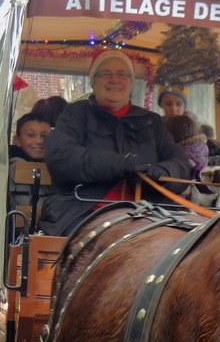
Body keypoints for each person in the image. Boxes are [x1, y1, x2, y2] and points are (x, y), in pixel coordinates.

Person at [39, 49, 192, 236]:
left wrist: (157, 173)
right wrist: (121, 163)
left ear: (131, 83)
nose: (114, 80)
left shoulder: (151, 122)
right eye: (106, 74)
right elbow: (61, 157)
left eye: (122, 74)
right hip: (83, 212)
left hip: (150, 214)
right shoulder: (75, 114)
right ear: (93, 82)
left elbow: (182, 166)